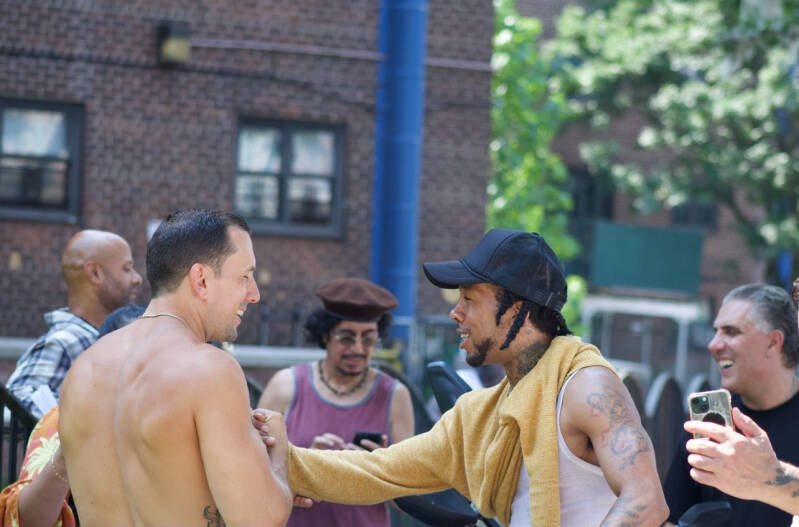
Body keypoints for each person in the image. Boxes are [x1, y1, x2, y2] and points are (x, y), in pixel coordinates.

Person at [263, 229, 668, 526]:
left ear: (516, 310)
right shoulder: (479, 415)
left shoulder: (586, 385)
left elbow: (646, 500)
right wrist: (275, 455)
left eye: (469, 299)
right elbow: (377, 471)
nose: (456, 313)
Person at [59, 209, 293, 527]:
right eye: (244, 277)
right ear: (201, 279)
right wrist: (279, 454)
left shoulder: (82, 369)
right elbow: (260, 520)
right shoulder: (210, 369)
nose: (254, 294)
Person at [257, 277, 414, 527]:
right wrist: (307, 463)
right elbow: (253, 477)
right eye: (347, 337)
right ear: (325, 335)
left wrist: (380, 468)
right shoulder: (285, 386)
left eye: (369, 339)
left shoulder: (395, 395)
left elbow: (408, 501)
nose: (358, 349)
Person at [663, 283, 799, 527]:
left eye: (731, 332)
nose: (714, 344)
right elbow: (669, 518)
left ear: (773, 342)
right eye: (716, 331)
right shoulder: (708, 422)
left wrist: (771, 479)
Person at [6, 229, 142, 418]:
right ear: (94, 273)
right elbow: (13, 409)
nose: (137, 278)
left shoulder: (109, 338)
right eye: (127, 268)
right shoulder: (65, 342)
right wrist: (80, 428)